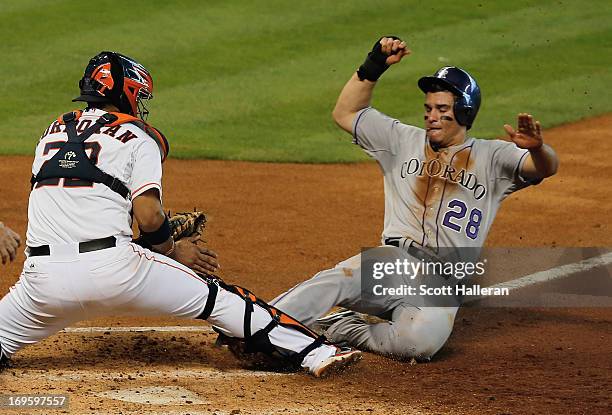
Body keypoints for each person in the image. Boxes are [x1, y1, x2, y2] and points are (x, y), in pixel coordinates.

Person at [0, 51, 361, 376]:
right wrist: (172, 250)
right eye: (138, 95)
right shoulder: (138, 136)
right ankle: (317, 352)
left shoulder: (49, 134)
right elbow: (149, 214)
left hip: (41, 283)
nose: (139, 104)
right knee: (221, 300)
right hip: (116, 272)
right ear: (124, 91)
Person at [270, 36, 559, 360]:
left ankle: (337, 328)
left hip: (442, 288)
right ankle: (255, 324)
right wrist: (373, 64)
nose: (431, 116)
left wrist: (536, 146)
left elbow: (545, 167)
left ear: (464, 112)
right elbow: (346, 112)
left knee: (417, 345)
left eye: (441, 109)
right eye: (428, 109)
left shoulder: (492, 157)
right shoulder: (401, 139)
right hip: (396, 262)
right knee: (338, 280)